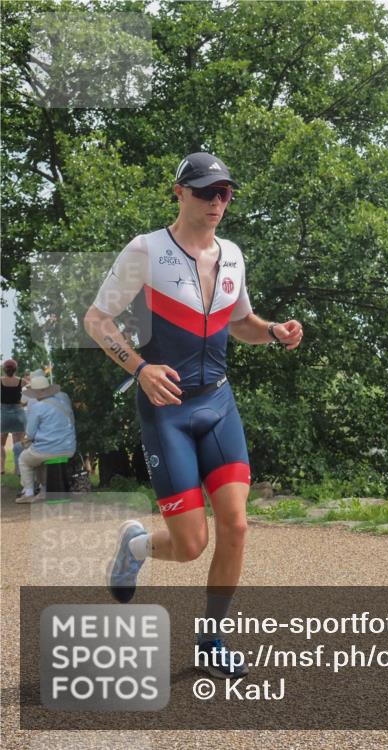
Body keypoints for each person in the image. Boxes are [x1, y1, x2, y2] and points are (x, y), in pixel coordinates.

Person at [83, 152, 303, 679]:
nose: (216, 202)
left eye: (224, 193)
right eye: (206, 192)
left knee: (236, 526)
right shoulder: (146, 250)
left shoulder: (233, 255)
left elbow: (240, 322)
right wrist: (139, 369)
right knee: (190, 545)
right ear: (179, 192)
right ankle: (137, 544)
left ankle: (210, 640)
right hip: (167, 409)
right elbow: (96, 319)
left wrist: (273, 331)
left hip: (219, 403)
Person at [15, 371, 76, 503]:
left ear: (36, 393)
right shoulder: (62, 402)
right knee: (39, 457)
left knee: (24, 459)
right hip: (69, 447)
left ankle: (29, 493)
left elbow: (30, 434)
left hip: (48, 449)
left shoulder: (38, 407)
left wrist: (26, 440)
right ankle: (44, 491)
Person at [1, 358, 28, 474]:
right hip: (19, 413)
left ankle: (1, 468)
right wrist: (24, 403)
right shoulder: (22, 381)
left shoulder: (0, 380)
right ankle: (18, 470)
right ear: (15, 369)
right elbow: (33, 391)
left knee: (1, 443)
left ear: (4, 369)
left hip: (3, 413)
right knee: (19, 443)